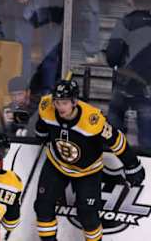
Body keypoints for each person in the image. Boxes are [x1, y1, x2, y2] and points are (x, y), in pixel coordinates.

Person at [34, 79, 146, 241]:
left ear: (74, 101)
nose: (59, 107)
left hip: (88, 172)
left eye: (64, 103)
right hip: (56, 165)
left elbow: (116, 140)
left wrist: (132, 165)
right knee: (43, 207)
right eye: (57, 102)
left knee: (88, 216)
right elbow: (43, 124)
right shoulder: (46, 106)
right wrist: (41, 132)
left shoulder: (92, 120)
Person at [105, 0, 151, 149]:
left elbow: (112, 55)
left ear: (135, 2)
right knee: (147, 137)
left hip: (124, 83)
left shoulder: (125, 23)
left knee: (113, 132)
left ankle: (113, 162)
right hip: (147, 88)